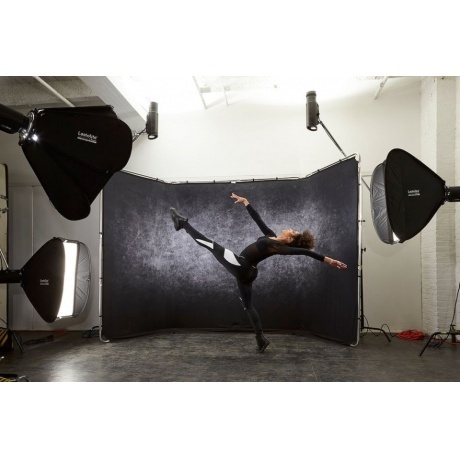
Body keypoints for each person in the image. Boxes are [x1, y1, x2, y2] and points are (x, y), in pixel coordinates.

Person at [170, 192, 347, 353]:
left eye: (292, 231)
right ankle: (260, 339)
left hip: (242, 265)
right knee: (248, 306)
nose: (290, 228)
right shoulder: (270, 235)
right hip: (249, 272)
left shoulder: (278, 247)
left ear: (289, 239)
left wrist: (329, 260)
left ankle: (183, 223)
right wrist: (246, 202)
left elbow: (305, 253)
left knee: (211, 245)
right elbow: (258, 220)